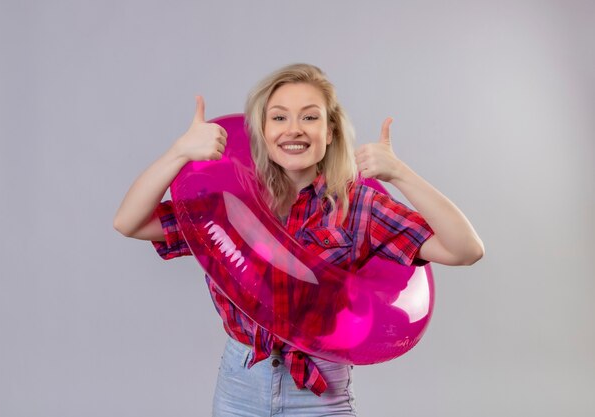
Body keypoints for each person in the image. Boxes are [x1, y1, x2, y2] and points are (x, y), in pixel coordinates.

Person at [113, 63, 484, 416]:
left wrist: (400, 174)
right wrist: (178, 152)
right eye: (279, 117)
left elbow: (465, 249)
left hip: (320, 393)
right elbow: (130, 222)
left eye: (310, 116)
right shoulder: (231, 201)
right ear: (261, 130)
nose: (294, 129)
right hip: (242, 382)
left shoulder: (357, 206)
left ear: (331, 131)